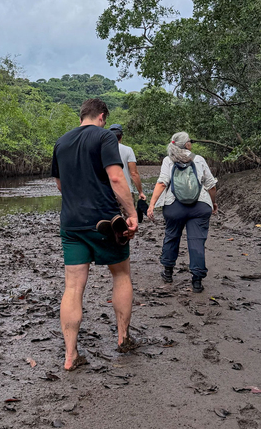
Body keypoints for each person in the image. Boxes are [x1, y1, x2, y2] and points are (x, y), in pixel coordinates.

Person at [51, 98, 139, 370]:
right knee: (121, 274)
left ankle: (70, 355)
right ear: (102, 116)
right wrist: (132, 213)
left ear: (81, 116)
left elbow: (60, 185)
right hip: (105, 220)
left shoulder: (61, 142)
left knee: (73, 287)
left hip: (72, 223)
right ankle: (123, 338)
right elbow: (115, 178)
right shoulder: (104, 137)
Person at [147, 132, 218, 293]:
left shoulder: (168, 160)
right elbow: (211, 185)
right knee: (197, 239)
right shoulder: (198, 159)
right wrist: (213, 203)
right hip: (200, 206)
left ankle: (168, 272)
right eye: (190, 142)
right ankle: (197, 281)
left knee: (172, 235)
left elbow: (161, 183)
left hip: (174, 206)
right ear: (187, 144)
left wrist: (151, 205)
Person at [108, 124, 147, 205]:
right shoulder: (128, 150)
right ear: (121, 136)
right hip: (126, 191)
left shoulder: (101, 149)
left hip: (107, 192)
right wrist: (140, 192)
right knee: (130, 216)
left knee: (110, 217)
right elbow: (134, 174)